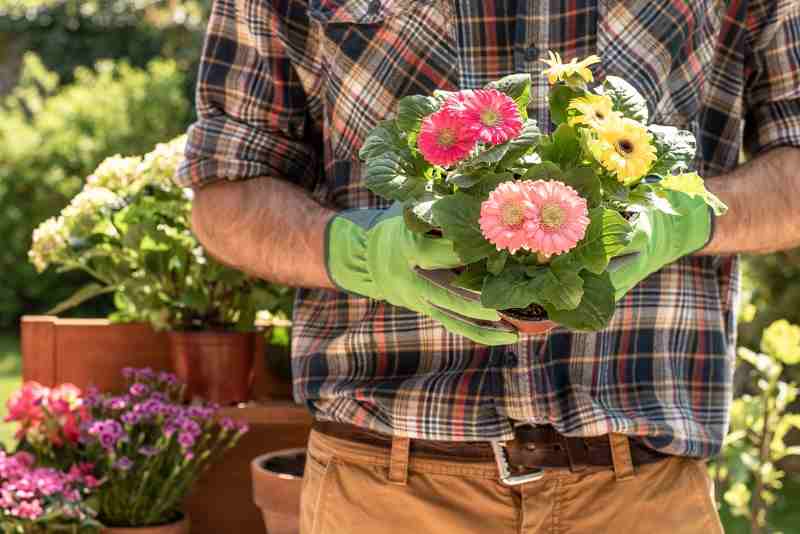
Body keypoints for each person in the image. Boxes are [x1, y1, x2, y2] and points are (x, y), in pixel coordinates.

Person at [175, 1, 800, 532]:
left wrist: (686, 219)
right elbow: (226, 193)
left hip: (640, 494)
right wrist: (360, 251)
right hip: (384, 492)